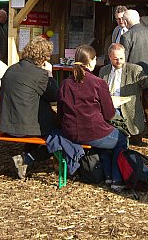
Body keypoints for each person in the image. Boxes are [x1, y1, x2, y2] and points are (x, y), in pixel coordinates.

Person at [58, 45, 128, 191]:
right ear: (93, 61)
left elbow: (60, 113)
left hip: (69, 132)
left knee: (105, 140)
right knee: (121, 139)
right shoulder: (98, 83)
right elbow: (109, 114)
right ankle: (116, 179)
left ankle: (108, 176)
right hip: (92, 131)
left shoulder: (65, 83)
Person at [0, 36, 59, 179]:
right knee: (62, 134)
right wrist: (50, 74)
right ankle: (28, 158)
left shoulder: (11, 69)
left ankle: (25, 159)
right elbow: (55, 96)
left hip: (7, 125)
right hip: (26, 128)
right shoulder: (40, 74)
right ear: (44, 57)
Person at [99, 43, 148, 145]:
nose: (119, 61)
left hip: (127, 108)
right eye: (115, 59)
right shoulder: (104, 70)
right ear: (110, 57)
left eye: (121, 58)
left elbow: (145, 82)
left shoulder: (134, 69)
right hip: (109, 107)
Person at [120, 9, 148, 140]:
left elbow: (123, 60)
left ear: (126, 21)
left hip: (133, 77)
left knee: (134, 106)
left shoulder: (126, 36)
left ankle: (136, 136)